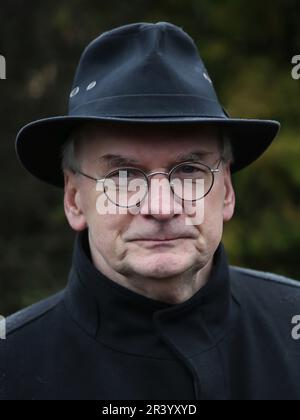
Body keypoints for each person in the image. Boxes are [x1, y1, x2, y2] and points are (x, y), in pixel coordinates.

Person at [1, 22, 300, 400]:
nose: (161, 207)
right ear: (74, 199)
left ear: (226, 191)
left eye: (190, 170)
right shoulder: (11, 366)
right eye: (124, 176)